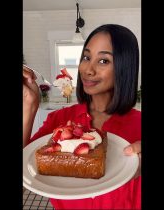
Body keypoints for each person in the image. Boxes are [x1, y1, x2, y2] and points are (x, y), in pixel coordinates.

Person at [23, 24, 141, 209]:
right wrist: (29, 107)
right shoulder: (59, 120)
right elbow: (26, 175)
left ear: (124, 67)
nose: (87, 69)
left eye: (103, 61)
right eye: (86, 57)